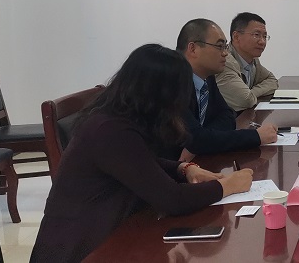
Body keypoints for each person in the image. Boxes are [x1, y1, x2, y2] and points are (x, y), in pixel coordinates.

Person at [30, 44, 255, 263]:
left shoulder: (120, 118)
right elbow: (172, 199)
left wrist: (184, 168)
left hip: (113, 230)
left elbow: (140, 163)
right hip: (83, 247)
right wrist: (226, 186)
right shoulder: (109, 130)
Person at [174, 18, 277, 159]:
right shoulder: (171, 81)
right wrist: (256, 137)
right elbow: (195, 138)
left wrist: (202, 140)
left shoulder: (207, 77)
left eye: (225, 47)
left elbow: (228, 116)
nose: (225, 53)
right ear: (193, 48)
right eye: (219, 46)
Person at [217, 12, 279, 111]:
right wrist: (250, 94)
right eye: (256, 35)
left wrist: (251, 92)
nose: (262, 41)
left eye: (264, 36)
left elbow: (272, 81)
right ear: (236, 37)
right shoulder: (225, 62)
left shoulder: (253, 60)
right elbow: (245, 100)